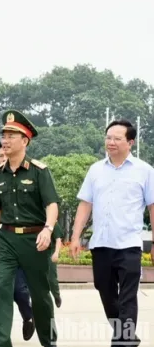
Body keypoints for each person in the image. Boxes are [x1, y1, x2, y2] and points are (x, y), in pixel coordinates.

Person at [70, 119, 152, 346]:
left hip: (129, 244)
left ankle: (123, 340)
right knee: (105, 291)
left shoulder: (145, 171)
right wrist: (76, 237)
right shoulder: (95, 170)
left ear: (130, 142)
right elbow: (85, 204)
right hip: (102, 244)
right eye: (108, 137)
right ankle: (125, 333)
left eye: (117, 138)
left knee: (128, 295)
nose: (111, 142)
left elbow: (153, 206)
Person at [0, 110, 59, 347]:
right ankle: (2, 341)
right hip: (6, 239)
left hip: (34, 240)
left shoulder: (40, 171)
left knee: (39, 295)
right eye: (3, 135)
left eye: (11, 135)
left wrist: (48, 229)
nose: (5, 140)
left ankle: (48, 340)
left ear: (25, 140)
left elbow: (52, 204)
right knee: (2, 290)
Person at [0, 144, 35, 346]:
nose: (3, 158)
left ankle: (29, 315)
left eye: (5, 155)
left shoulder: (27, 175)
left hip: (16, 243)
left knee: (18, 287)